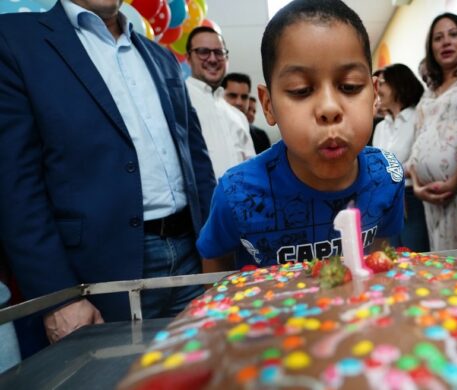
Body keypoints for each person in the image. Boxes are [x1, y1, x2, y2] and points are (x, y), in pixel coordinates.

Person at [0, 0, 215, 356]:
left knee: (201, 372)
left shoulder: (160, 57)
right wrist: (57, 298)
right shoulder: (18, 43)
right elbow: (16, 190)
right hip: (100, 276)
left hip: (192, 260)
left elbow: (198, 164)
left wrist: (215, 257)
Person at [197, 0, 405, 271]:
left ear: (374, 94)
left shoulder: (386, 176)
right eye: (300, 90)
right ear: (269, 105)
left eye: (350, 86)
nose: (329, 108)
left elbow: (381, 263)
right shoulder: (237, 193)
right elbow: (215, 268)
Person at [407, 13, 457, 251]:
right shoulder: (430, 91)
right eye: (438, 38)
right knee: (444, 267)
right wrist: (417, 185)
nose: (445, 42)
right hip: (429, 200)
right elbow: (418, 141)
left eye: (453, 34)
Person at [372, 64, 429, 252]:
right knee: (393, 258)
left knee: (415, 255)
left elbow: (418, 160)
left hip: (412, 198)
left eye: (383, 83)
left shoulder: (417, 117)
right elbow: (375, 165)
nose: (377, 89)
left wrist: (389, 174)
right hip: (386, 200)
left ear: (398, 84)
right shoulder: (380, 127)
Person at [185, 27, 255, 180]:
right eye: (203, 51)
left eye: (219, 53)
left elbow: (251, 168)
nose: (212, 59)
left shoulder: (237, 116)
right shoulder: (179, 101)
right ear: (188, 58)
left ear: (227, 58)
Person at [222, 72, 272, 154]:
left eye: (244, 97)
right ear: (220, 95)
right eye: (233, 96)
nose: (239, 102)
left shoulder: (260, 137)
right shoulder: (209, 130)